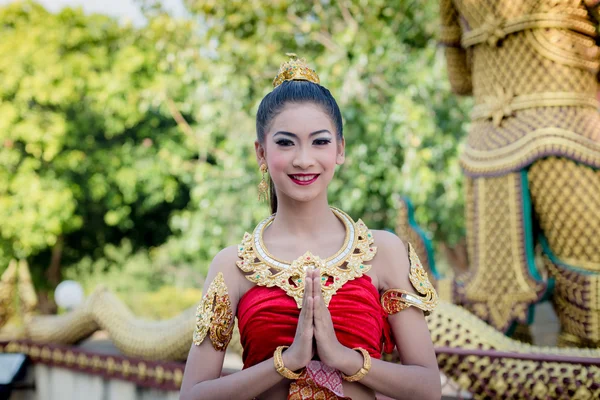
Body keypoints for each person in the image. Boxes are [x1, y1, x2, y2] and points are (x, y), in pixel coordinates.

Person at [179, 55, 441, 400]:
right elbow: (193, 395)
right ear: (261, 153)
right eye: (286, 143)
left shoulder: (383, 251)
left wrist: (343, 358)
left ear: (340, 150)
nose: (304, 159)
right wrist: (286, 362)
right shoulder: (232, 267)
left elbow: (428, 388)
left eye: (320, 141)